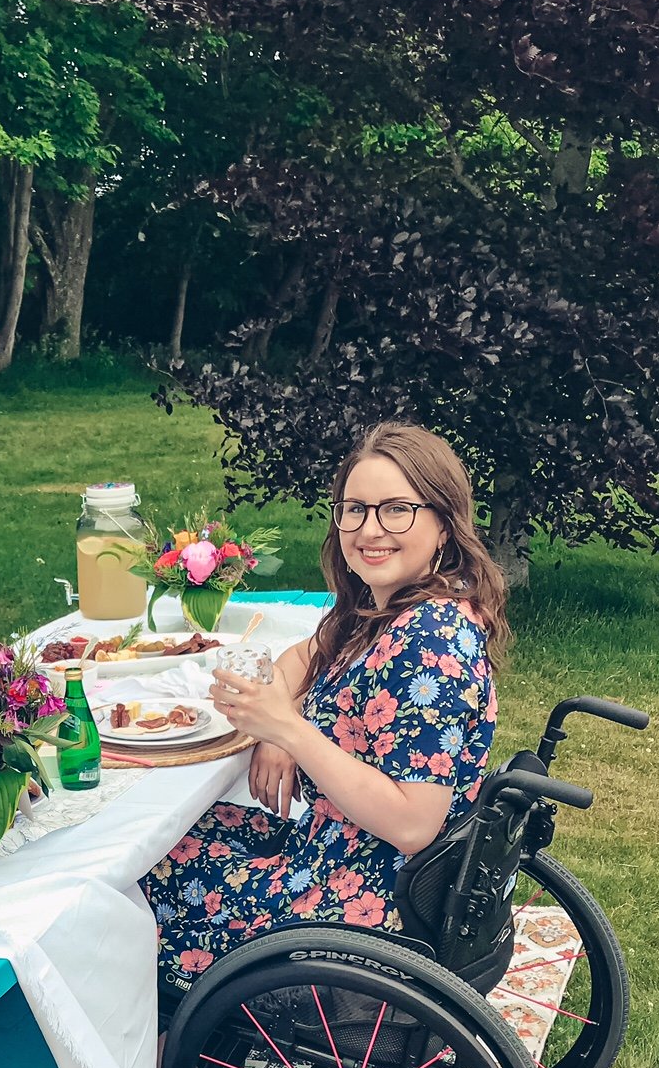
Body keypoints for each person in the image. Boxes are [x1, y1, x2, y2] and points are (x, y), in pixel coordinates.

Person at [141, 421, 510, 1010]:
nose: (370, 530)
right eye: (355, 509)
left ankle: (157, 1044)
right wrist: (278, 725)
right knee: (162, 840)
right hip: (334, 852)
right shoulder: (381, 613)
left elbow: (414, 822)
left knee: (141, 880)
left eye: (397, 510)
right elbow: (299, 657)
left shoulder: (429, 643)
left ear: (443, 523)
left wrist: (288, 729)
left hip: (362, 906)